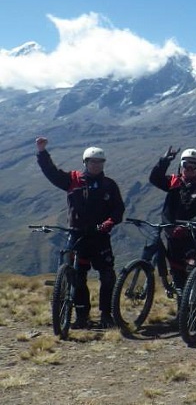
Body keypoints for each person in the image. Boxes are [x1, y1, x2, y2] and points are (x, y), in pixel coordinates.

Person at [35, 137, 125, 329]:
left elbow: (118, 209)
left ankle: (106, 315)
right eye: (92, 162)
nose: (96, 165)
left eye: (100, 162)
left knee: (107, 276)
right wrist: (42, 152)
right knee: (76, 276)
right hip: (77, 236)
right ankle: (82, 316)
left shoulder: (109, 185)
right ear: (85, 162)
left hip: (100, 237)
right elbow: (51, 173)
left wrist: (109, 222)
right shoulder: (73, 180)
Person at [149, 147, 196, 294]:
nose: (189, 169)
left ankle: (195, 309)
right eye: (186, 165)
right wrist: (164, 161)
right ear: (181, 165)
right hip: (171, 234)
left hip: (191, 237)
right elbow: (155, 178)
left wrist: (190, 225)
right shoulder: (174, 182)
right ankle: (182, 312)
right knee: (177, 273)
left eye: (194, 166)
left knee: (191, 273)